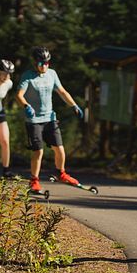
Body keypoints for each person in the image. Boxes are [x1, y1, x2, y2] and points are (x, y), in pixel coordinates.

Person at [15, 46, 84, 192]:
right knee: (38, 151)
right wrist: (26, 106)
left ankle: (61, 174)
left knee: (59, 149)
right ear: (35, 63)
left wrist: (74, 105)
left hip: (50, 118)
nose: (44, 66)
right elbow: (19, 95)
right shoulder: (27, 76)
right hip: (34, 120)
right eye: (41, 63)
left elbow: (62, 91)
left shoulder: (52, 74)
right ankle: (33, 181)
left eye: (47, 63)